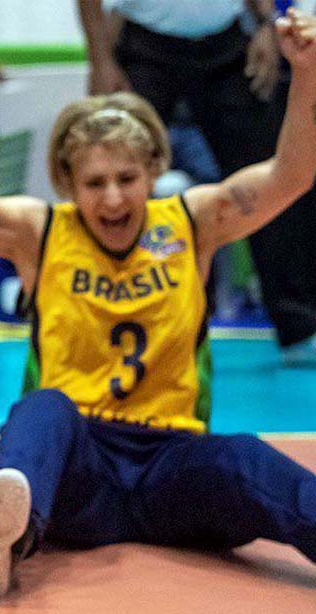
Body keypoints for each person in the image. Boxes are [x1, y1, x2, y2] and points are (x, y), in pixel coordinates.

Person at [0, 8, 316, 602]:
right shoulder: (41, 232)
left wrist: (307, 73)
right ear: (68, 185)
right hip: (82, 470)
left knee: (244, 458)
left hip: (173, 464)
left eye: (127, 178)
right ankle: (7, 541)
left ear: (154, 172)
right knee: (42, 410)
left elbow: (291, 175)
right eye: (95, 183)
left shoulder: (193, 221)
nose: (113, 198)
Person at [79, 0, 316, 365]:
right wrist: (100, 60)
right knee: (113, 175)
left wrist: (265, 25)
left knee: (272, 174)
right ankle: (99, 321)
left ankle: (299, 327)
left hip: (227, 44)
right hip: (143, 45)